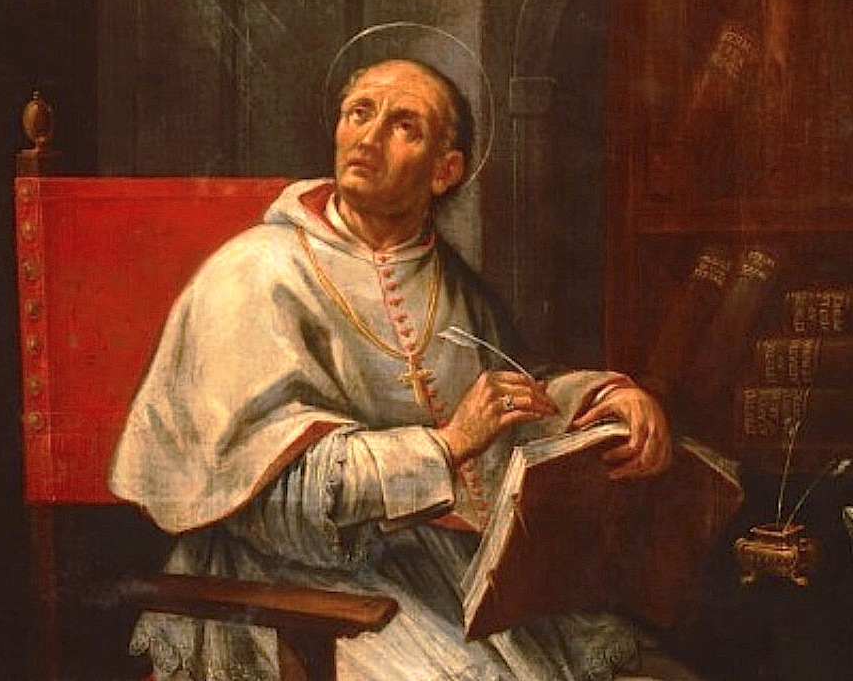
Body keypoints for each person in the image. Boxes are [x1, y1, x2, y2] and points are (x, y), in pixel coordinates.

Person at [109, 58, 694, 681]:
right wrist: (447, 446)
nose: (367, 137)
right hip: (288, 589)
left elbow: (512, 396)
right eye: (359, 113)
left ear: (445, 172)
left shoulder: (448, 279)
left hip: (427, 567)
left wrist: (608, 399)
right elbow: (271, 506)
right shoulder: (254, 274)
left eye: (403, 125)